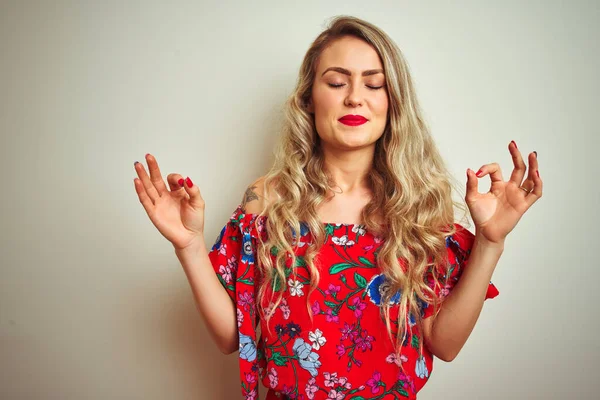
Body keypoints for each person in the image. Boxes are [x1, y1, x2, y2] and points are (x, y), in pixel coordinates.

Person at [133, 15, 542, 400]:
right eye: (336, 82)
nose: (354, 98)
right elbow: (230, 337)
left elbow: (446, 345)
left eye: (373, 84)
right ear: (309, 99)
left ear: (392, 101)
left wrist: (490, 241)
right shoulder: (268, 199)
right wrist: (188, 245)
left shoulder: (420, 210)